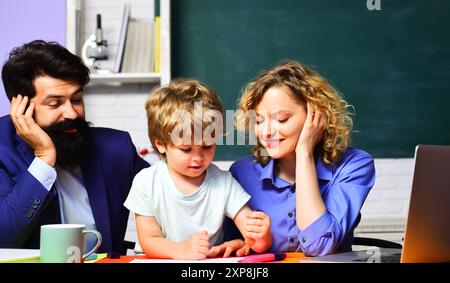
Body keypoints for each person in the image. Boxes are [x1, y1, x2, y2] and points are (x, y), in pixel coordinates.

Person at [0, 40, 149, 253]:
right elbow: (4, 239)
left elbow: (168, 194)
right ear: (21, 108)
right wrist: (44, 159)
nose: (71, 113)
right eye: (55, 103)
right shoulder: (2, 149)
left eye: (77, 99)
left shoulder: (116, 149)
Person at [225, 60, 376, 257]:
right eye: (259, 120)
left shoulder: (354, 165)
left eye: (281, 119)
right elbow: (233, 246)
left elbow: (319, 246)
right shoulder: (241, 173)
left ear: (316, 115)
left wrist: (304, 152)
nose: (267, 132)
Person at [124, 79, 272, 259]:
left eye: (207, 146)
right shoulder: (146, 182)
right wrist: (183, 251)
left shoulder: (223, 182)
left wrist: (260, 236)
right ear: (161, 144)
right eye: (186, 149)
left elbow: (254, 239)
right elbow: (149, 240)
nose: (198, 158)